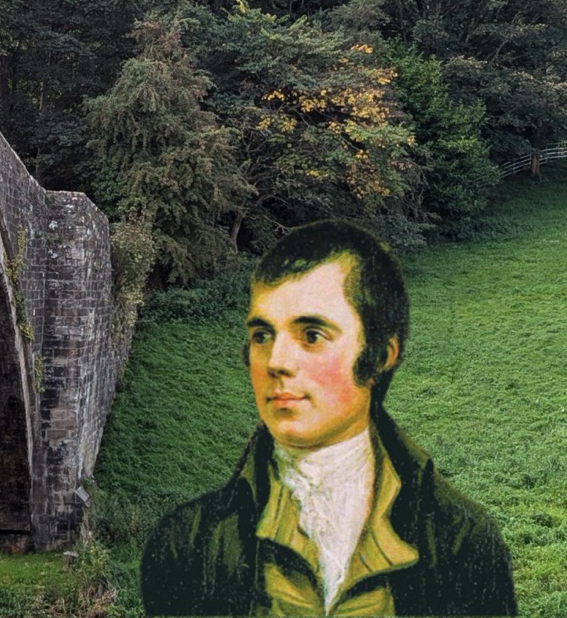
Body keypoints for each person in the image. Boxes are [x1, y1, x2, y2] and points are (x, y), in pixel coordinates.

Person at [140, 220, 516, 616]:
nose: (277, 362)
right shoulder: (186, 544)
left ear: (377, 357)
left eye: (312, 335)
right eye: (262, 336)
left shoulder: (462, 541)